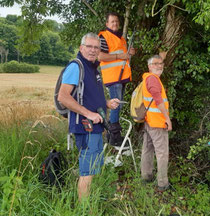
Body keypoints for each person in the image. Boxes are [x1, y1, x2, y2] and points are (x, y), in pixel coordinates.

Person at [57, 33, 121, 201]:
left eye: (96, 47)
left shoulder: (93, 68)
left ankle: (91, 201)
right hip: (85, 127)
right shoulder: (76, 67)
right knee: (87, 172)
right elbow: (63, 97)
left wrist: (107, 103)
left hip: (96, 127)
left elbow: (88, 96)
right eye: (89, 46)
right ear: (81, 48)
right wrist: (89, 114)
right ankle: (84, 209)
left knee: (94, 168)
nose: (93, 50)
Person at [98, 12, 136, 146]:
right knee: (115, 106)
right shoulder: (104, 36)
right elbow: (100, 56)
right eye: (112, 21)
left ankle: (110, 135)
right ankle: (115, 137)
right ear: (107, 24)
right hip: (113, 77)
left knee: (117, 106)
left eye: (116, 22)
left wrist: (129, 53)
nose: (115, 24)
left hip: (122, 77)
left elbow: (124, 56)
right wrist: (120, 56)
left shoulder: (121, 38)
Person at [140, 55, 172, 192]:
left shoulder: (147, 78)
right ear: (149, 66)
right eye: (156, 63)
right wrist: (167, 118)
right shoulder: (153, 79)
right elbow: (158, 100)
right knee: (162, 153)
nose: (159, 66)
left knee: (147, 149)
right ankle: (163, 184)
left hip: (149, 121)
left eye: (161, 63)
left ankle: (146, 177)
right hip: (157, 122)